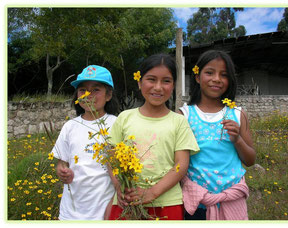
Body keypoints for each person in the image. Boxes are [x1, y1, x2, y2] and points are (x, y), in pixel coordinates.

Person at [108, 53, 199, 220]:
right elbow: (112, 158)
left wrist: (152, 193)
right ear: (139, 82)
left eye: (166, 81)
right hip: (127, 201)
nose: (158, 87)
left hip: (167, 204)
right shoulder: (124, 118)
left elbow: (181, 164)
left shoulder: (179, 122)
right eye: (151, 79)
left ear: (173, 86)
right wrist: (119, 186)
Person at [179, 50, 256, 220]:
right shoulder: (184, 115)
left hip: (232, 202)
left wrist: (237, 140)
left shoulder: (237, 114)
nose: (216, 79)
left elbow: (250, 160)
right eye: (209, 72)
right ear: (197, 77)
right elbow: (176, 162)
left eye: (224, 75)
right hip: (196, 203)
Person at [52, 65, 119, 220]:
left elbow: (120, 172)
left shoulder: (116, 124)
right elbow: (62, 163)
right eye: (83, 90)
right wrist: (62, 172)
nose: (88, 95)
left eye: (96, 90)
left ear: (108, 95)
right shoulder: (70, 126)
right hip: (70, 212)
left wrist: (116, 202)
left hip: (103, 210)